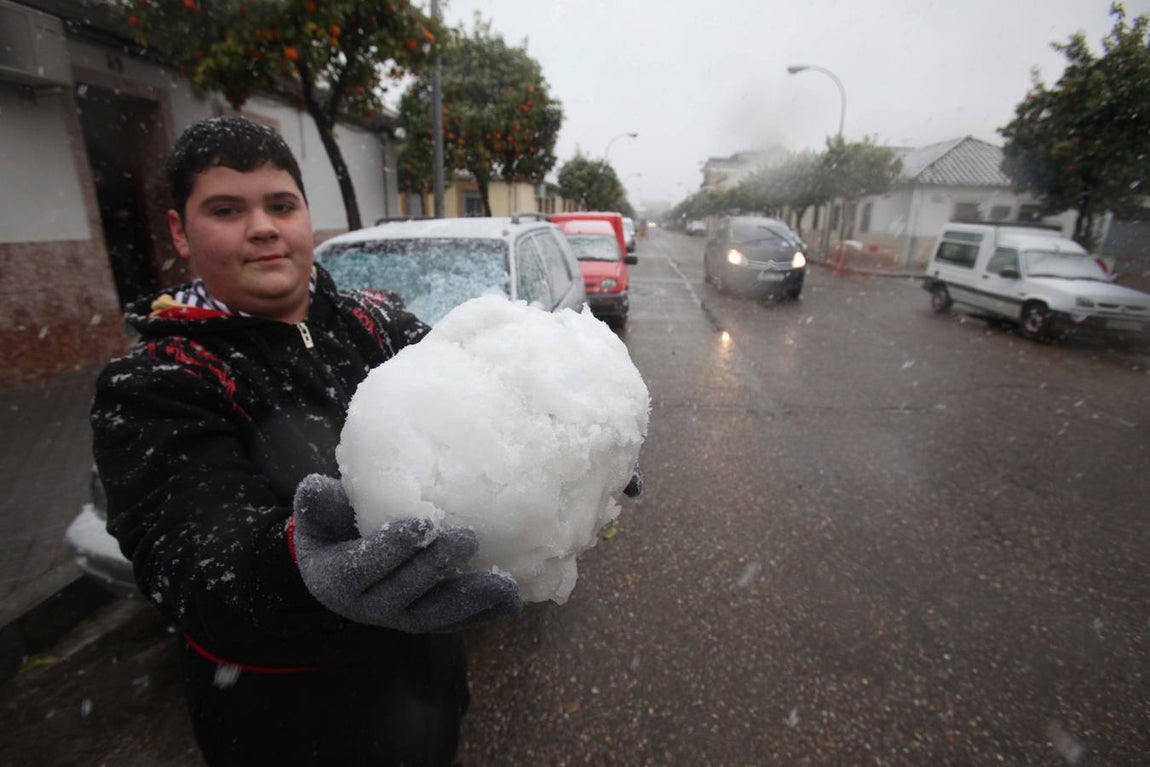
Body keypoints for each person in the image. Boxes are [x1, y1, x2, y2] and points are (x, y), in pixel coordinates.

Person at [89, 116, 523, 766]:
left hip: (423, 693)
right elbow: (192, 553)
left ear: (306, 217)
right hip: (287, 724)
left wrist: (559, 429)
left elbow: (483, 386)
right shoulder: (157, 380)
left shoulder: (374, 323)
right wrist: (294, 565)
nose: (263, 226)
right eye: (227, 210)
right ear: (179, 231)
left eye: (281, 205)